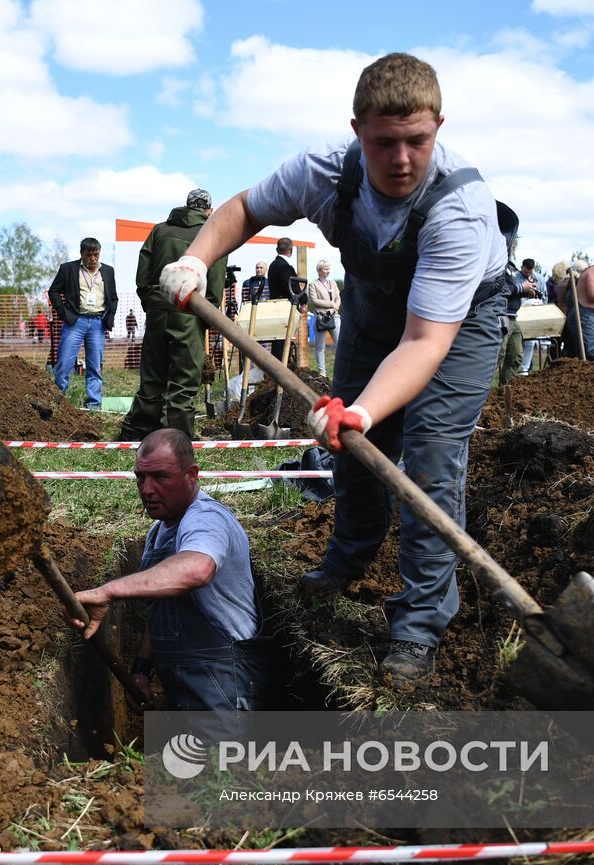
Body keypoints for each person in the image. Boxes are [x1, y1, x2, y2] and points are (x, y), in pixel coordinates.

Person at [158, 52, 507, 686]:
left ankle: (419, 623)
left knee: (428, 455)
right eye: (383, 143)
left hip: (459, 325)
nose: (401, 159)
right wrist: (196, 258)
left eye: (417, 141)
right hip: (375, 306)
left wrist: (364, 409)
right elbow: (245, 208)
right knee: (352, 450)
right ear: (357, 132)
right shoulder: (323, 170)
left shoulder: (461, 210)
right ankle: (349, 559)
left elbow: (426, 342)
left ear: (440, 128)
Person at [68, 429, 266, 711]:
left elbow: (196, 569)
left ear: (192, 474)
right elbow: (163, 611)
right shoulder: (158, 531)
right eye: (140, 477)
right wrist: (142, 670)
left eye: (161, 477)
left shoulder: (207, 519)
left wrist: (109, 591)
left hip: (226, 684)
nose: (147, 490)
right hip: (187, 683)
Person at [117, 190, 225, 440]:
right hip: (190, 310)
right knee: (185, 374)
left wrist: (151, 300)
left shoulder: (159, 230)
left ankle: (140, 429)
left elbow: (143, 272)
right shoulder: (211, 233)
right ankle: (176, 436)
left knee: (153, 371)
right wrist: (206, 315)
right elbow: (216, 278)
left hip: (157, 307)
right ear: (208, 210)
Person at [48, 237, 119, 410]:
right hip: (75, 322)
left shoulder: (108, 271)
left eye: (96, 254)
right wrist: (63, 312)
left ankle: (93, 405)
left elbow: (113, 298)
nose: (93, 258)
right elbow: (54, 291)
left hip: (97, 323)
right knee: (64, 364)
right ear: (82, 254)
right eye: (89, 255)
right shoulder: (68, 269)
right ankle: (58, 403)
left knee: (94, 367)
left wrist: (109, 318)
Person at [496, 228, 538, 387]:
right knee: (497, 356)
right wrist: (522, 288)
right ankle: (480, 394)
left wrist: (525, 292)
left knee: (516, 357)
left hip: (512, 316)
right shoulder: (499, 263)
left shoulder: (510, 266)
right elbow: (501, 289)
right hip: (501, 316)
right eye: (513, 243)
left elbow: (512, 290)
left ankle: (504, 392)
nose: (514, 245)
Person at [306, 260, 341, 378]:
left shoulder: (333, 283)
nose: (328, 271)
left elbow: (338, 298)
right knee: (320, 347)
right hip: (321, 318)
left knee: (339, 345)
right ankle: (322, 373)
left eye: (328, 269)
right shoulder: (313, 284)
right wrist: (332, 304)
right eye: (325, 269)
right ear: (319, 271)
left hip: (334, 316)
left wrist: (334, 307)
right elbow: (314, 301)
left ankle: (341, 370)